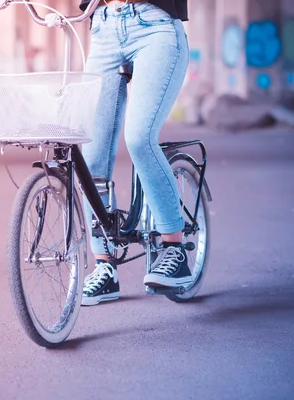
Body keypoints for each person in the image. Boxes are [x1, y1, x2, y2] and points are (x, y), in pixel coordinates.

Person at [78, 0, 191, 306]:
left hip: (155, 27)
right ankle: (104, 266)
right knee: (90, 159)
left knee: (140, 138)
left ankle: (174, 249)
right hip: (103, 28)